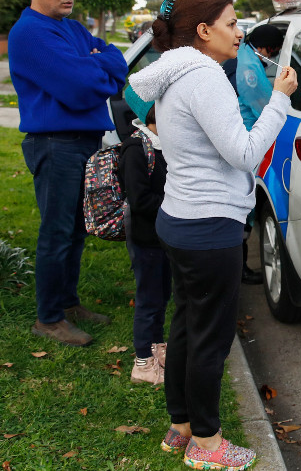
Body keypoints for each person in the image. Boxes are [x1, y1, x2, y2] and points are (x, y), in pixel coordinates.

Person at [127, 0, 298, 469]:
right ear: (203, 31)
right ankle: (207, 444)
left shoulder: (177, 69)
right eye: (230, 23)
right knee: (209, 338)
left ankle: (180, 425)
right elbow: (244, 152)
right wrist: (279, 101)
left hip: (180, 218)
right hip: (209, 226)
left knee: (187, 325)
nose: (239, 31)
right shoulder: (204, 77)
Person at [9, 0, 127, 347]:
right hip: (55, 144)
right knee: (57, 232)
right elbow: (80, 90)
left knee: (76, 230)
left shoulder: (72, 30)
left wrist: (99, 65)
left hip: (83, 143)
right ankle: (48, 318)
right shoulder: (30, 33)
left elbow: (118, 61)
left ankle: (68, 302)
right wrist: (98, 72)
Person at [222, 24, 285, 285]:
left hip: (237, 142)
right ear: (263, 48)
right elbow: (266, 105)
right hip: (243, 145)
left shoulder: (239, 60)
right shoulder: (246, 70)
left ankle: (236, 267)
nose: (273, 57)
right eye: (273, 51)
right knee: (241, 206)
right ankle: (237, 271)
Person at [119, 87, 170, 385]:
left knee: (162, 296)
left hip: (162, 239)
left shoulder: (163, 143)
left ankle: (156, 350)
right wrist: (175, 202)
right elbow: (139, 201)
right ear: (153, 113)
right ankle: (142, 362)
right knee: (148, 300)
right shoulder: (136, 149)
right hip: (145, 239)